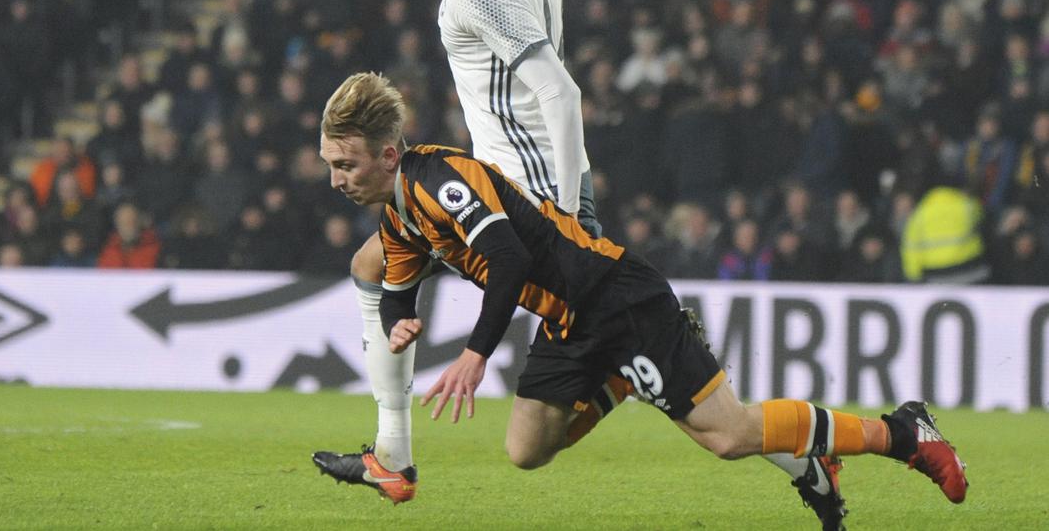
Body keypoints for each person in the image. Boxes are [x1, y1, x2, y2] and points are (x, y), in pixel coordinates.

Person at [317, 72, 969, 524]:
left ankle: (901, 433)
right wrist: (401, 326)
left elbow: (510, 257)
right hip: (566, 323)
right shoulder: (398, 220)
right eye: (329, 164)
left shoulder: (438, 178)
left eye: (346, 164)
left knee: (730, 435)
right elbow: (395, 292)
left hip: (613, 298)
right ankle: (621, 385)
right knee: (528, 449)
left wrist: (473, 354)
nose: (335, 178)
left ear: (388, 153)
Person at [312, 0, 651, 505]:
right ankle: (392, 458)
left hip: (521, 190)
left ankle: (643, 367)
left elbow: (560, 93)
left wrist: (554, 213)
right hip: (535, 177)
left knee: (608, 403)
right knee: (371, 266)